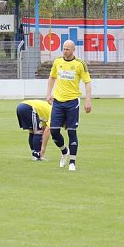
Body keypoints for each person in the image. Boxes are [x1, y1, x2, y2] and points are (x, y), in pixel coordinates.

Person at [46, 40, 92, 171]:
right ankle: (64, 151)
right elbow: (52, 77)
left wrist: (88, 100)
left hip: (72, 102)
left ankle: (72, 161)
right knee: (54, 131)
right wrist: (48, 93)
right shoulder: (57, 62)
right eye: (64, 48)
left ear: (73, 50)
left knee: (71, 131)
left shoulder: (79, 64)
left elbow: (87, 82)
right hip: (58, 102)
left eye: (67, 49)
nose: (65, 51)